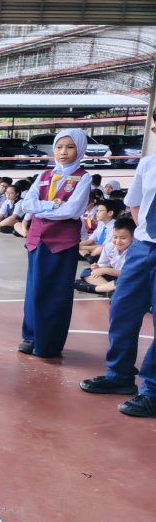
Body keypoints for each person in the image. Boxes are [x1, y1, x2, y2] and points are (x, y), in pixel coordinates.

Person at [80, 111, 156, 417]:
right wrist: (146, 233)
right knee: (123, 310)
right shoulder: (149, 164)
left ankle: (151, 389)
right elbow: (136, 204)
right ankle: (120, 376)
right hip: (144, 247)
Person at [18, 129, 92, 358]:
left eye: (70, 147)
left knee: (56, 292)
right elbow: (26, 205)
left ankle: (48, 343)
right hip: (37, 240)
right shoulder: (44, 175)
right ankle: (30, 336)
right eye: (59, 147)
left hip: (62, 242)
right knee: (34, 289)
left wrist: (44, 207)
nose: (63, 152)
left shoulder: (84, 177)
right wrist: (53, 206)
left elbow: (72, 211)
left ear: (79, 149)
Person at [74, 217, 136, 295]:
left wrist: (105, 270)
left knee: (128, 281)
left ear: (133, 237)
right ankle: (111, 291)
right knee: (87, 272)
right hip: (114, 278)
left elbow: (129, 273)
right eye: (115, 237)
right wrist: (97, 267)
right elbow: (103, 265)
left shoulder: (136, 251)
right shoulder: (109, 246)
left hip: (127, 277)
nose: (118, 241)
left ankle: (96, 288)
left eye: (123, 238)